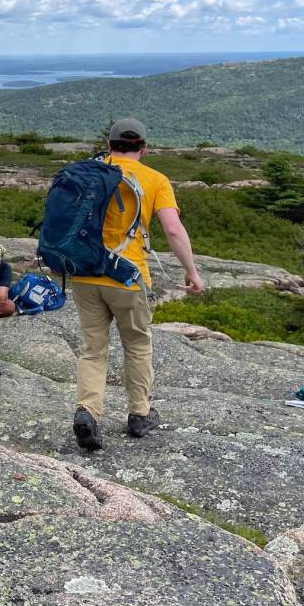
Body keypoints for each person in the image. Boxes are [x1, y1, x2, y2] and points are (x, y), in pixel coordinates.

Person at [71, 118, 204, 451]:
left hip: (84, 273)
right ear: (144, 147)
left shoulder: (86, 172)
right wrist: (191, 271)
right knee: (137, 345)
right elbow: (173, 230)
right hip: (127, 276)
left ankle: (88, 411)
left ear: (109, 143)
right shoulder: (155, 179)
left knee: (93, 350)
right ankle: (139, 414)